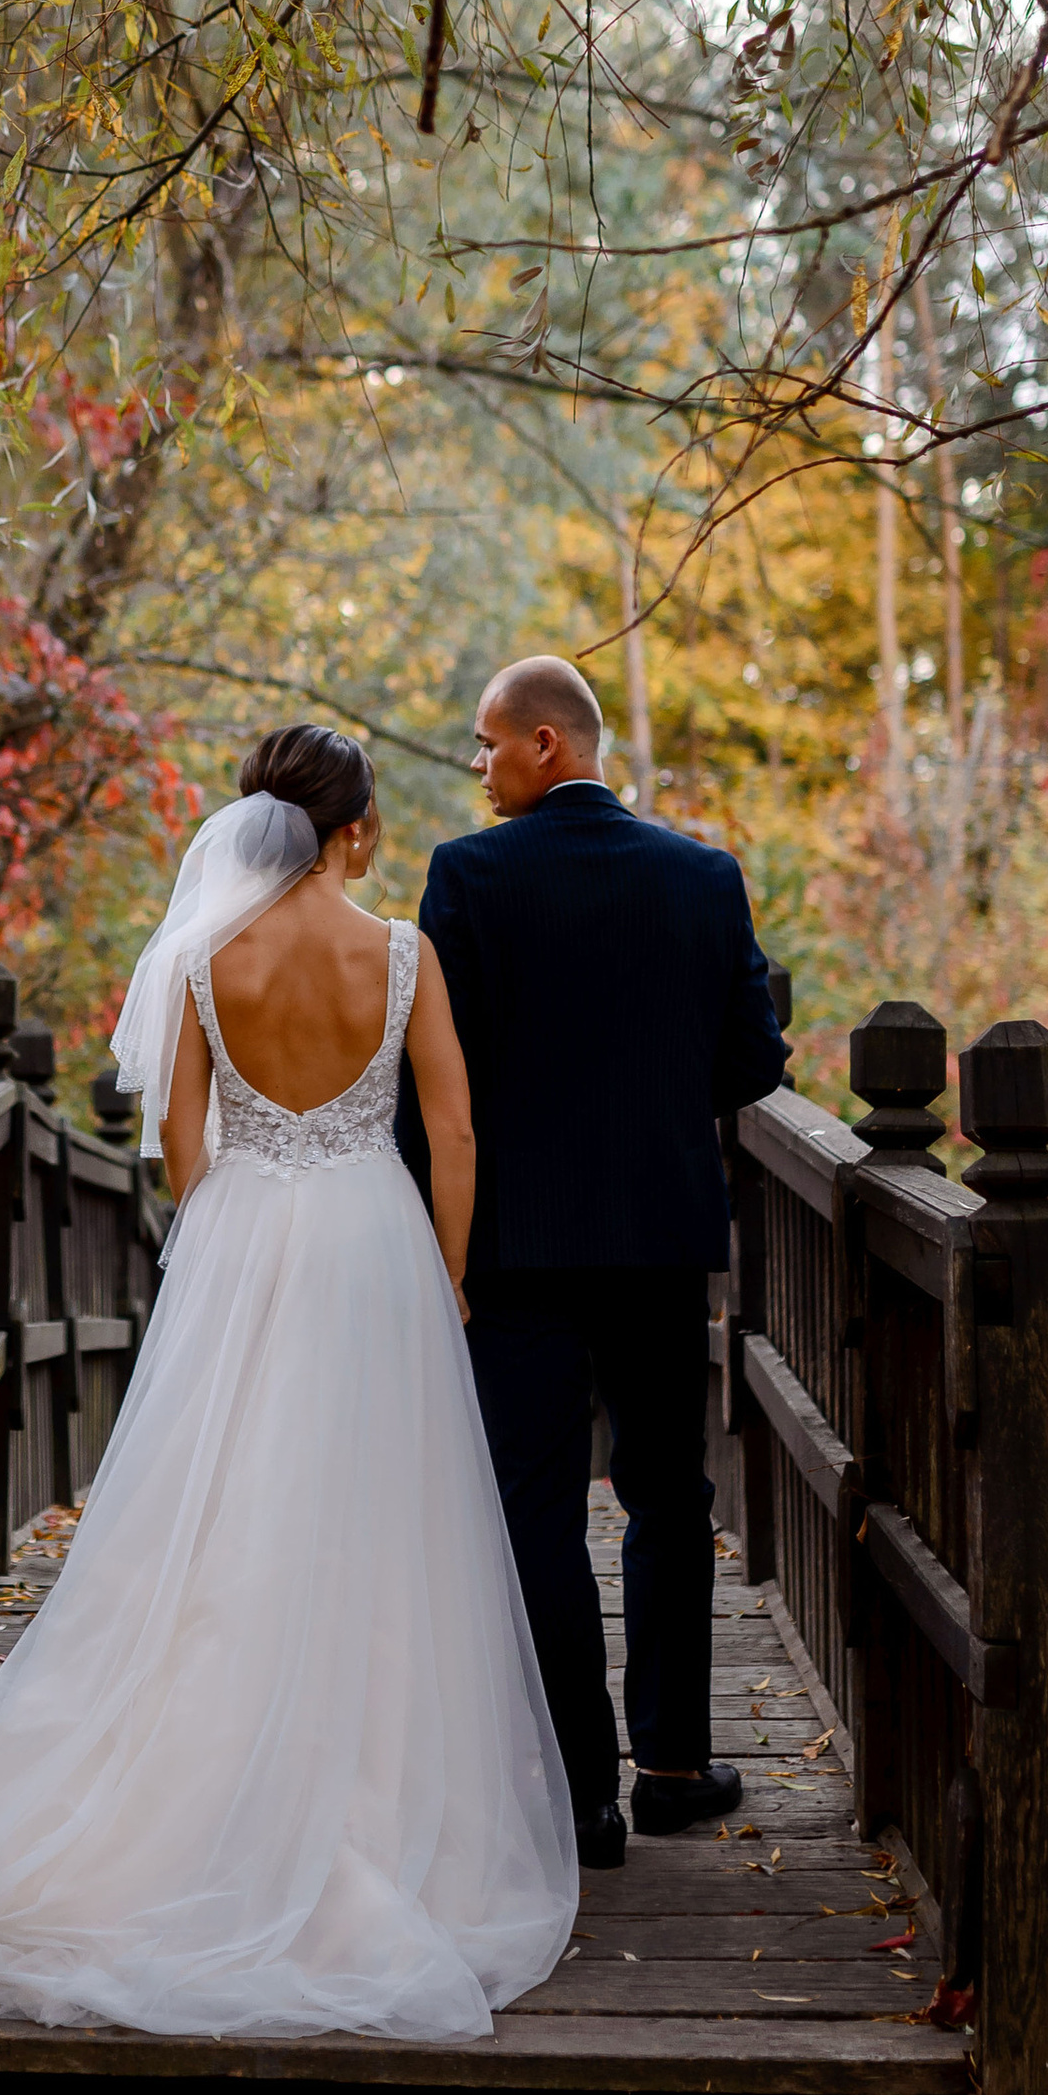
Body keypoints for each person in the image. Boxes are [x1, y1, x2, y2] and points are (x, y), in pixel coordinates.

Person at [0, 722, 577, 2038]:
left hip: (248, 1240)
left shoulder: (208, 958)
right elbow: (449, 1126)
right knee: (379, 1526)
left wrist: (228, 1240)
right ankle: (365, 1801)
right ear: (355, 831)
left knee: (230, 1517)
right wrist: (446, 1272)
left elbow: (178, 1135)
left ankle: (210, 1783)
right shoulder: (402, 953)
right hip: (374, 1247)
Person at [399, 654, 788, 1874]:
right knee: (670, 1498)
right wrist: (658, 1102)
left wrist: (437, 1234)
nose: (478, 765)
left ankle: (579, 1798)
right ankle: (673, 1764)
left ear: (548, 746)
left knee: (535, 1517)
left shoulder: (466, 879)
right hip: (659, 1246)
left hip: (515, 1252)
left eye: (488, 743)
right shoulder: (703, 877)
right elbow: (754, 1061)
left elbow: (434, 1078)